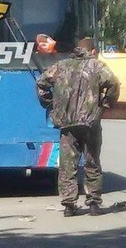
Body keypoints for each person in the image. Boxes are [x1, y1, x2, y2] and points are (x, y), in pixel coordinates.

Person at [36, 38, 120, 217]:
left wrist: (50, 104)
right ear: (93, 51)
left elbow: (41, 83)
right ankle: (94, 204)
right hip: (91, 123)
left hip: (67, 124)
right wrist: (106, 103)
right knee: (92, 162)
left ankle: (69, 205)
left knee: (68, 164)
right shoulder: (97, 66)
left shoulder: (61, 65)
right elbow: (113, 84)